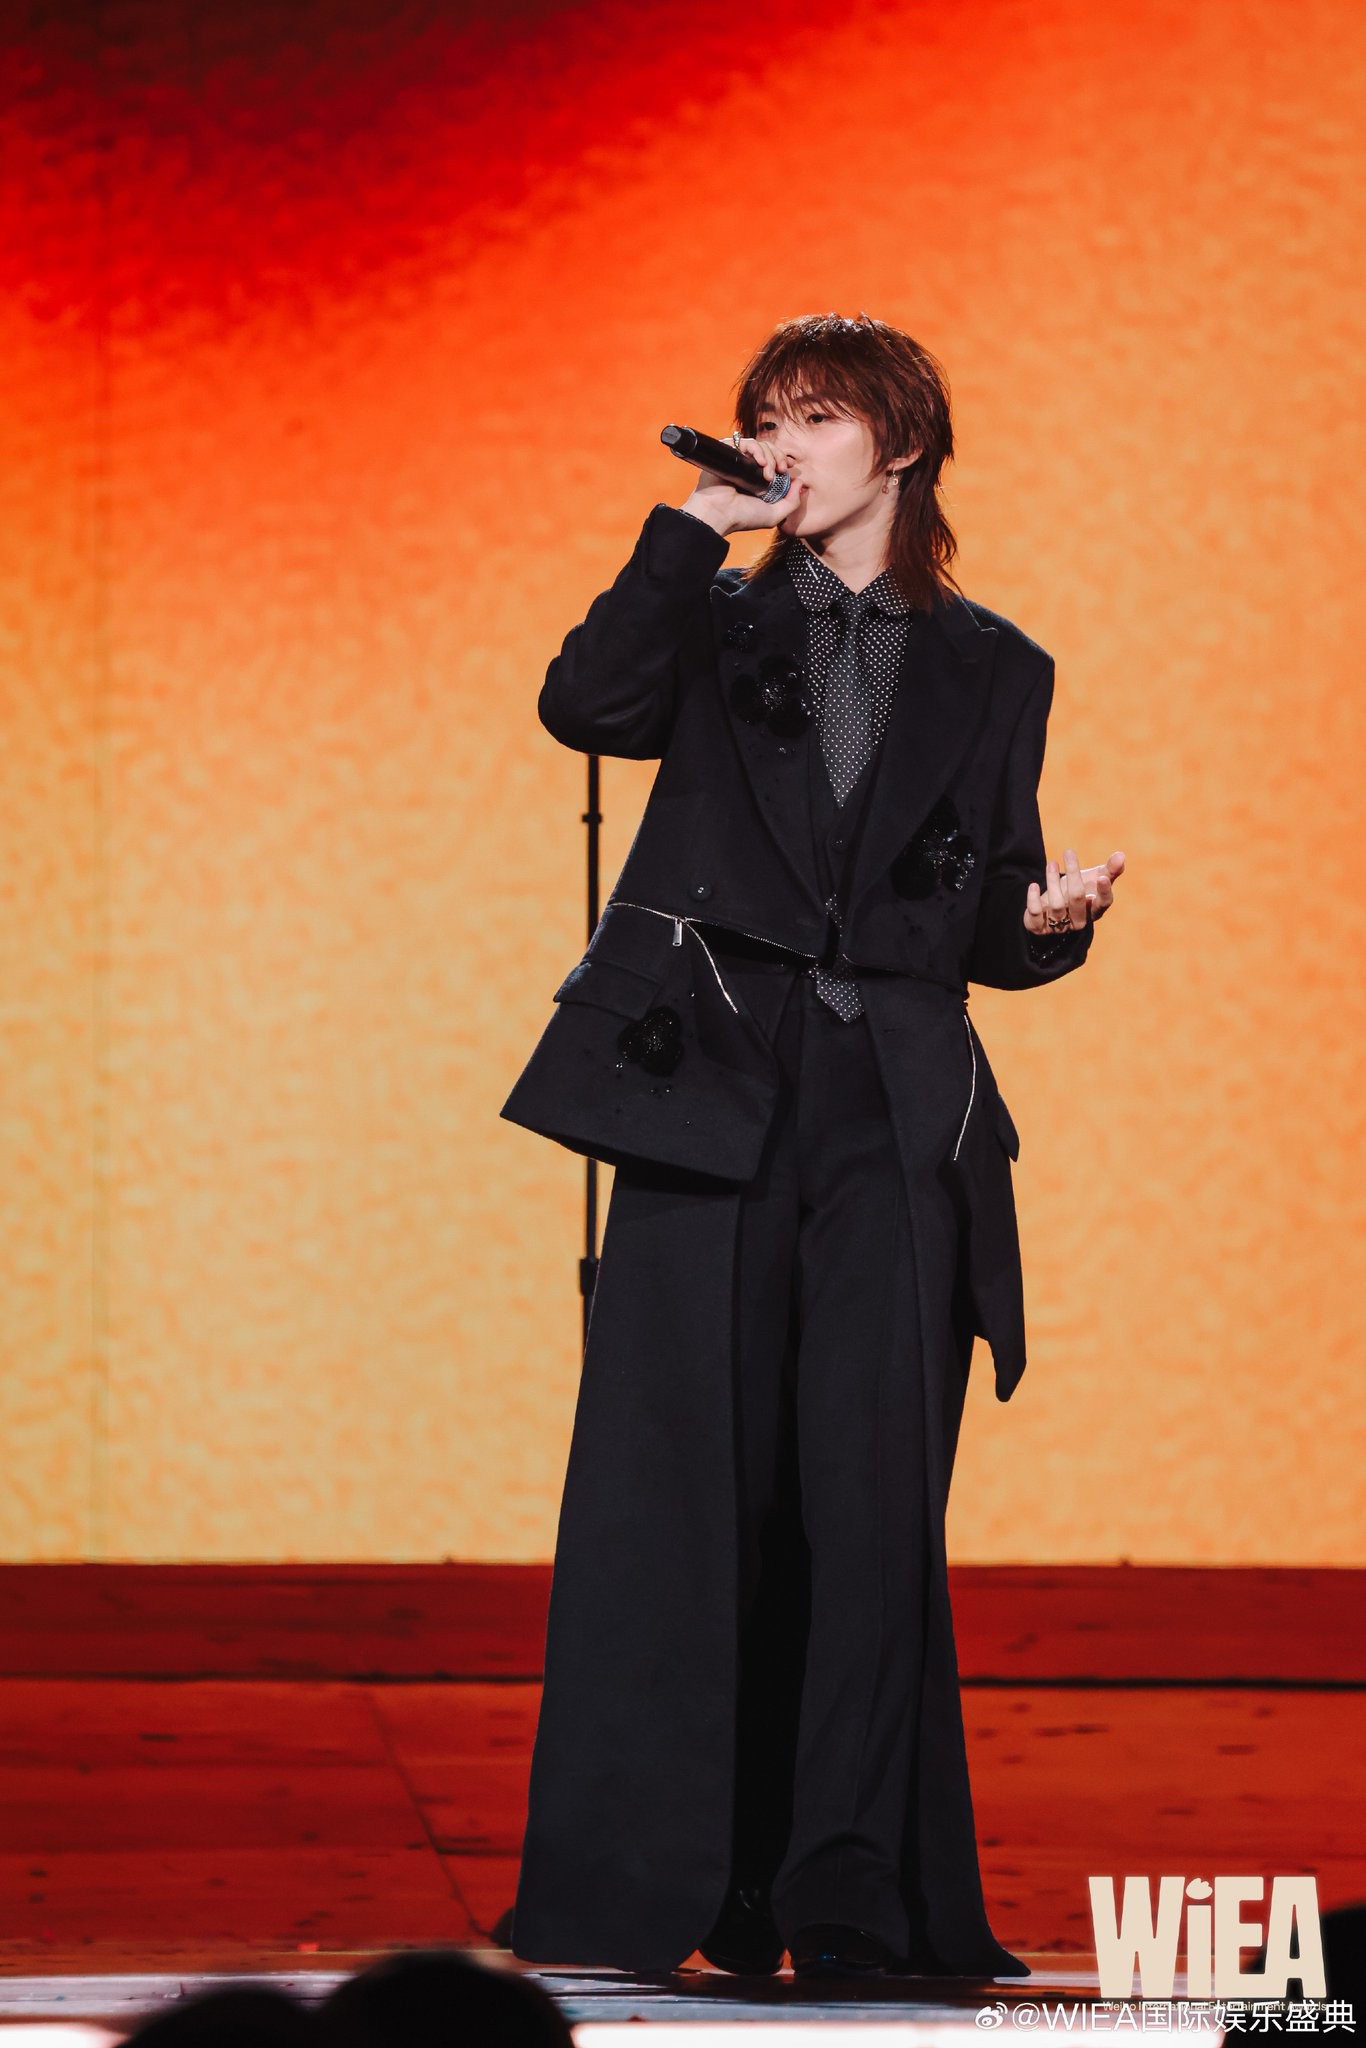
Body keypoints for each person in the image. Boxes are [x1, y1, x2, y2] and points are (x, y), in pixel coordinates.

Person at [502, 312, 1124, 1982]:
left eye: (817, 418)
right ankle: (655, 1886)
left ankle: (849, 1893)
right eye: (764, 416)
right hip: (705, 1078)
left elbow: (975, 907)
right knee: (678, 1486)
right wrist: (691, 532)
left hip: (894, 1106)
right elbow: (585, 705)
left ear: (898, 444)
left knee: (870, 1499)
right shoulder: (708, 614)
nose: (781, 442)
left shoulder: (995, 665)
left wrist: (1046, 922)